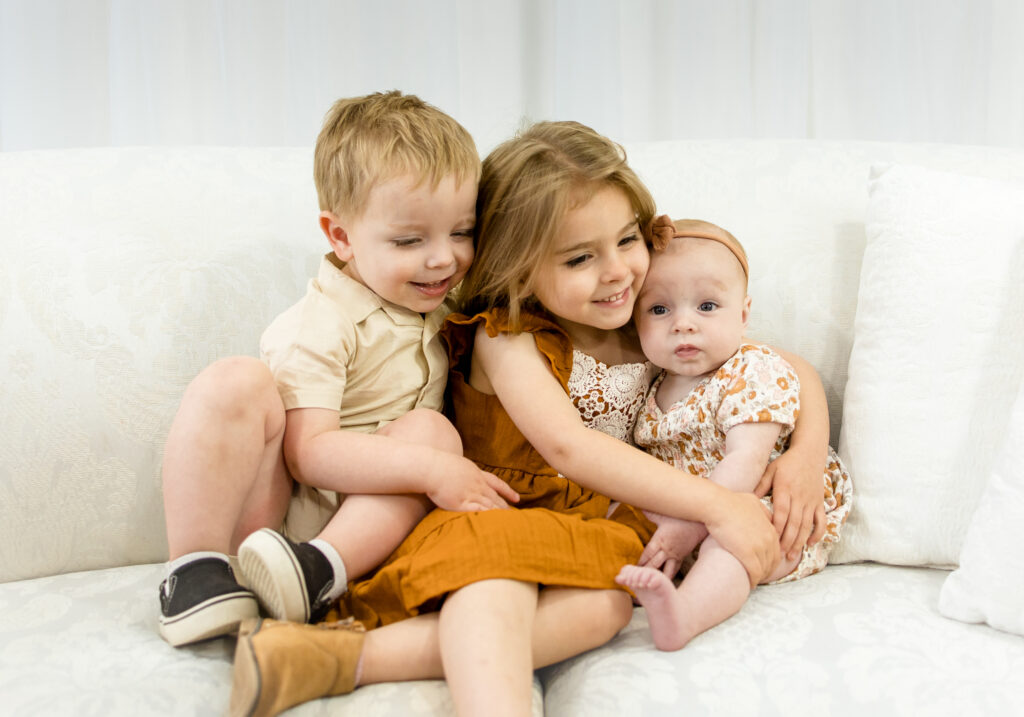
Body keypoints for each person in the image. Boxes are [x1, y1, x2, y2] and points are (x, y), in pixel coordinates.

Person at [228, 121, 833, 717]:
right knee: (497, 584)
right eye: (579, 258)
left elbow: (781, 365)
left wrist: (806, 453)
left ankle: (322, 659)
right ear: (520, 270)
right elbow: (569, 449)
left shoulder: (640, 315)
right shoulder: (507, 337)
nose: (617, 270)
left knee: (607, 610)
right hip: (495, 505)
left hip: (589, 523)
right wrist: (717, 503)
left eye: (627, 240)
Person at [158, 91, 518, 647]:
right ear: (341, 237)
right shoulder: (324, 321)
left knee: (429, 432)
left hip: (365, 533)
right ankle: (196, 570)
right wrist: (431, 472)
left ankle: (318, 572)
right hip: (275, 524)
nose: (444, 258)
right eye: (409, 240)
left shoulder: (438, 302)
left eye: (461, 232)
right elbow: (309, 453)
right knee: (235, 381)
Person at [615, 218, 853, 651]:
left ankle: (685, 616)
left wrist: (691, 525)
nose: (683, 323)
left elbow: (746, 461)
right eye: (660, 309)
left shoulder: (751, 369)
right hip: (689, 509)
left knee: (730, 543)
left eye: (706, 306)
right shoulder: (650, 384)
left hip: (764, 509)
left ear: (743, 314)